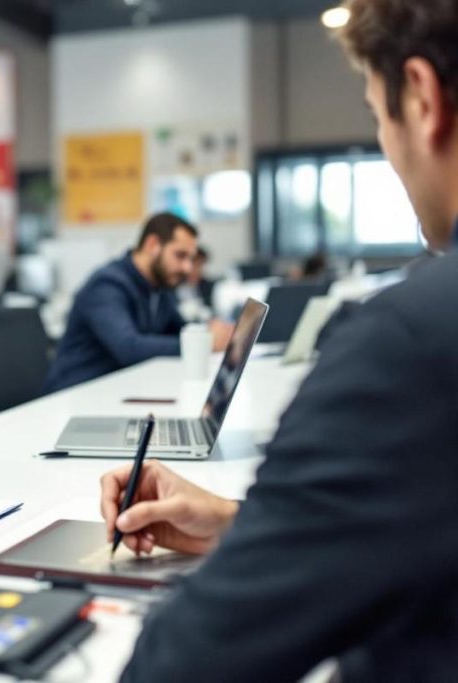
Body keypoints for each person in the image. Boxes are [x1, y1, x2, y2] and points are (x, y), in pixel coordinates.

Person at [102, 1, 458, 680]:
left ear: (420, 98)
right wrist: (245, 524)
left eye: (377, 115)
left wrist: (263, 542)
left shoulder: (410, 344)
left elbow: (185, 663)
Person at [44, 213, 233, 393]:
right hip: (75, 396)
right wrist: (206, 343)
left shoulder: (158, 287)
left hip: (118, 392)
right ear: (152, 245)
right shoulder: (107, 285)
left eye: (190, 259)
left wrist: (209, 332)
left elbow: (180, 331)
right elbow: (129, 348)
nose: (187, 267)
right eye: (180, 256)